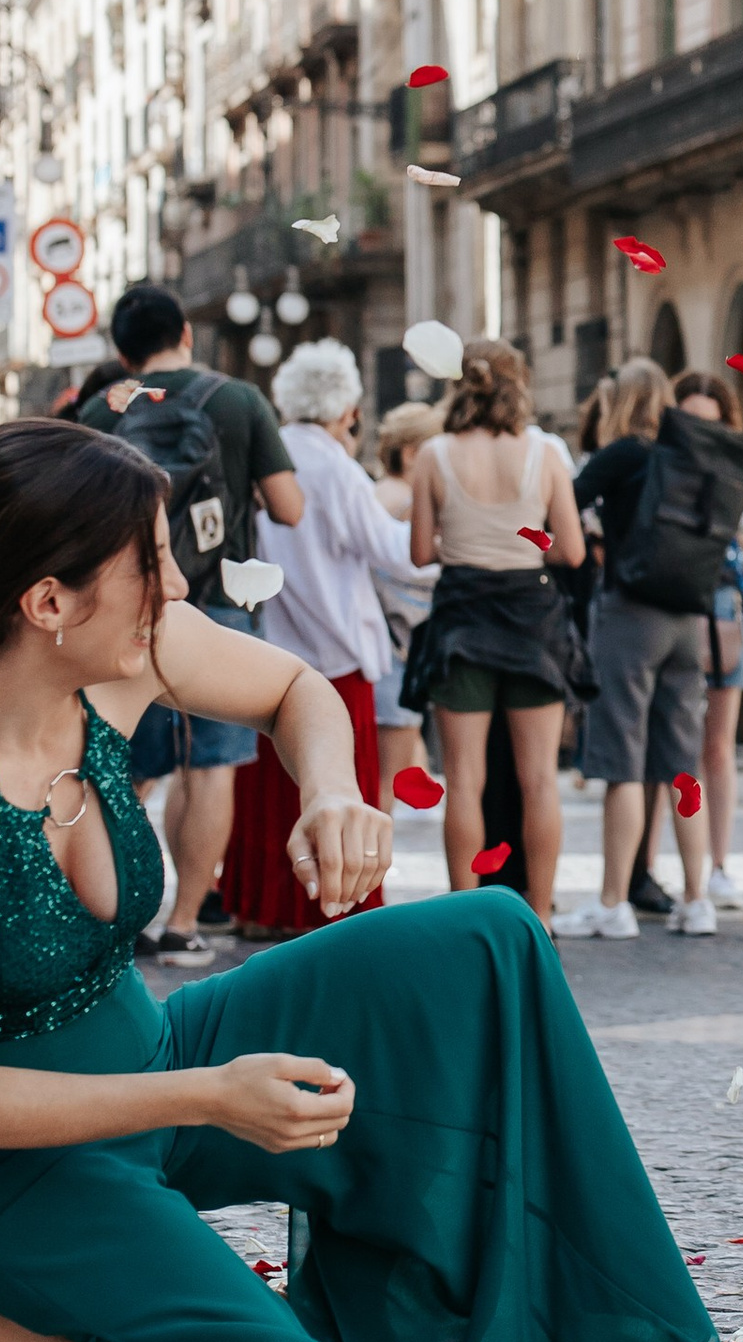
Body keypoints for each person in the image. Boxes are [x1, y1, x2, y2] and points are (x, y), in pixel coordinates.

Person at [0, 416, 714, 1342]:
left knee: (485, 941)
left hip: (153, 1064)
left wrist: (332, 791)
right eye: (152, 563)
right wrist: (210, 1096)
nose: (179, 583)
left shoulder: (123, 656)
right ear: (47, 604)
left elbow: (298, 693)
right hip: (4, 1167)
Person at [73, 284, 304, 963]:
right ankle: (183, 923)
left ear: (121, 350)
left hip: (128, 608)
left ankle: (121, 916)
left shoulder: (103, 406)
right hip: (223, 603)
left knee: (123, 770)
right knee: (211, 772)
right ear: (186, 333)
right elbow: (289, 508)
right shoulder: (237, 400)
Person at [218, 341, 434, 937]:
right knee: (339, 782)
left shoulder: (272, 455)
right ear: (344, 407)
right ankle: (332, 910)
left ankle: (257, 907)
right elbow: (394, 553)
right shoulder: (336, 466)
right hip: (335, 653)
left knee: (265, 790)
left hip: (268, 650)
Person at [564, 357, 743, 942]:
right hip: (688, 618)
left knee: (622, 762)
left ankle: (612, 903)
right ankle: (697, 899)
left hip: (630, 615)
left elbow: (563, 505)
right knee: (683, 766)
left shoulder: (624, 454)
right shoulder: (690, 461)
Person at [404, 337, 587, 928]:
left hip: (461, 617)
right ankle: (539, 917)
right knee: (539, 781)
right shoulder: (543, 452)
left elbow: (418, 551)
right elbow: (573, 551)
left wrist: (467, 538)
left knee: (463, 780)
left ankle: (464, 911)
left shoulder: (434, 454)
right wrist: (521, 537)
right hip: (532, 618)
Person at [676, 368, 743, 910]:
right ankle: (685, 868)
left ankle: (721, 864)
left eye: (711, 421)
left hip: (725, 607)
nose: (700, 430)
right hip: (678, 608)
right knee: (679, 748)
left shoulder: (736, 472)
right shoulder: (665, 468)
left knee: (718, 747)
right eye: (691, 419)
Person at [369, 405, 444, 796]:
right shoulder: (408, 502)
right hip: (397, 653)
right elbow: (421, 569)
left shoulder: (375, 493)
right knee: (386, 787)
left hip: (374, 650)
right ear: (413, 453)